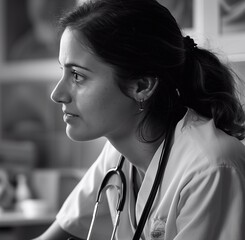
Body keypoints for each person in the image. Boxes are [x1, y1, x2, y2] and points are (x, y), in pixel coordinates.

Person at [34, 0, 245, 239]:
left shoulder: (211, 168)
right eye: (62, 70)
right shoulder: (117, 155)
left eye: (77, 75)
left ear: (142, 86)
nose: (57, 94)